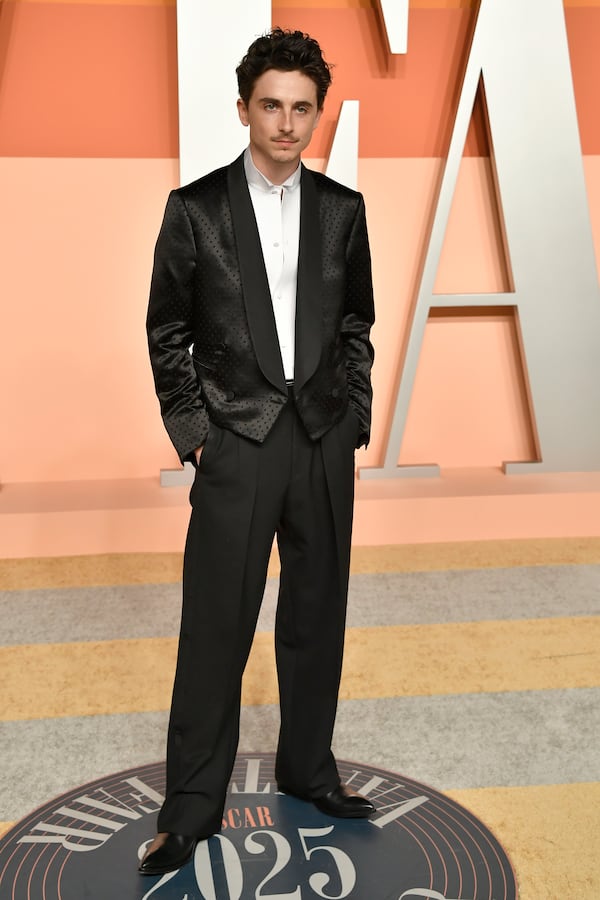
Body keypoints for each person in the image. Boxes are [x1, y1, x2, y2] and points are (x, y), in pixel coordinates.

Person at [140, 27, 376, 876]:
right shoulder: (194, 209)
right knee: (215, 629)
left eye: (302, 108)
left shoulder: (344, 211)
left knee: (316, 620)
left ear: (318, 114)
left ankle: (309, 769)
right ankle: (192, 806)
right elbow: (167, 332)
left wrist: (354, 418)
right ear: (244, 108)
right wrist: (197, 437)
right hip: (235, 444)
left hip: (321, 441)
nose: (286, 123)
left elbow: (356, 325)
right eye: (271, 105)